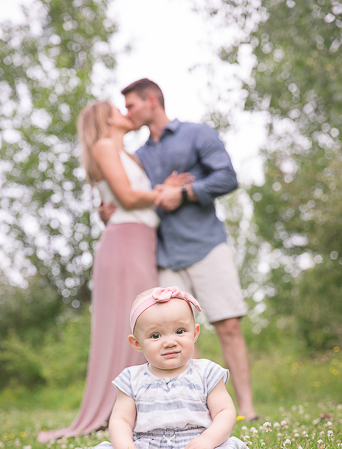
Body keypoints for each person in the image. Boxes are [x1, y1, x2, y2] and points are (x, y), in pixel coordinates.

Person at [103, 78, 259, 420]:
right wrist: (115, 208)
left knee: (228, 325)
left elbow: (227, 177)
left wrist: (185, 193)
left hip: (205, 245)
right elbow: (137, 197)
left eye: (131, 105)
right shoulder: (139, 155)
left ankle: (246, 408)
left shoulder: (197, 134)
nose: (128, 112)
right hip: (163, 256)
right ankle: (200, 410)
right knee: (179, 335)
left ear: (152, 100)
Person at [38, 102, 191, 442]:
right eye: (118, 108)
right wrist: (164, 193)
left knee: (145, 321)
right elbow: (126, 197)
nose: (125, 112)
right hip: (123, 242)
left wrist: (158, 187)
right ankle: (115, 411)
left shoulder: (129, 155)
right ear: (107, 118)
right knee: (131, 324)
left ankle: (143, 408)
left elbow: (132, 192)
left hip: (142, 242)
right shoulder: (104, 146)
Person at [64, 287, 261, 449]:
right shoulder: (131, 378)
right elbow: (120, 420)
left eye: (180, 331)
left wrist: (208, 440)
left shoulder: (207, 372)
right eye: (156, 335)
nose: (170, 342)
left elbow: (225, 411)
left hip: (197, 447)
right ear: (136, 343)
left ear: (195, 333)